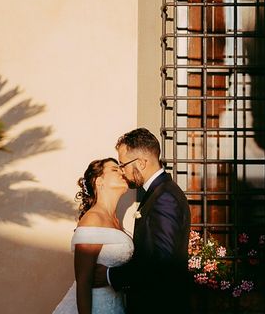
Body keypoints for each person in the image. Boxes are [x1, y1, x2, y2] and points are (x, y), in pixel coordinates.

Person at [95, 128, 192, 314]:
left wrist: (110, 276)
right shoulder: (158, 193)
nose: (122, 172)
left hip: (159, 305)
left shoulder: (164, 198)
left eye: (123, 165)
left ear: (141, 163)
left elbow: (161, 262)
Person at [53, 158, 134, 314]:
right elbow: (83, 282)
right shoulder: (93, 219)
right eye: (115, 170)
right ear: (99, 181)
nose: (122, 172)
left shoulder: (116, 221)